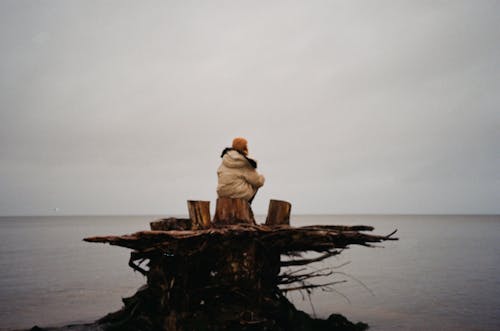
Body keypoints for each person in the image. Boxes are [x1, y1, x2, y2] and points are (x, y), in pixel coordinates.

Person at [216, 137, 265, 204]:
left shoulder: (225, 160)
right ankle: (247, 206)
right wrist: (262, 178)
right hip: (238, 195)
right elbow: (258, 182)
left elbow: (219, 173)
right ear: (244, 148)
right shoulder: (244, 163)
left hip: (222, 193)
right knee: (255, 184)